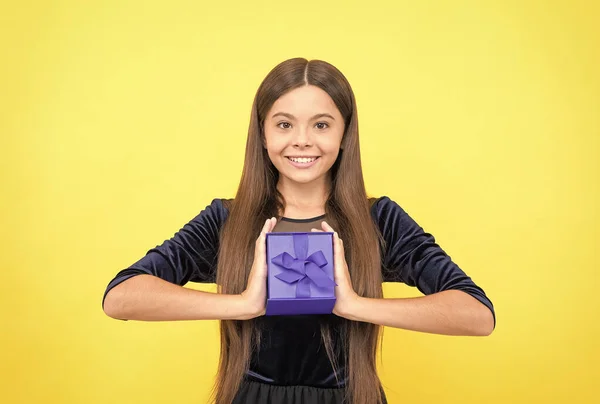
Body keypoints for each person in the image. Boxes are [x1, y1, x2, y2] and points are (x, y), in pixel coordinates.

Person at [102, 58, 496, 404]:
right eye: (285, 124)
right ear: (263, 133)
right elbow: (120, 298)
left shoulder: (379, 219)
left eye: (321, 124)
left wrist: (355, 305)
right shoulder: (228, 219)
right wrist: (242, 303)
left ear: (345, 135)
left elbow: (477, 315)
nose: (302, 140)